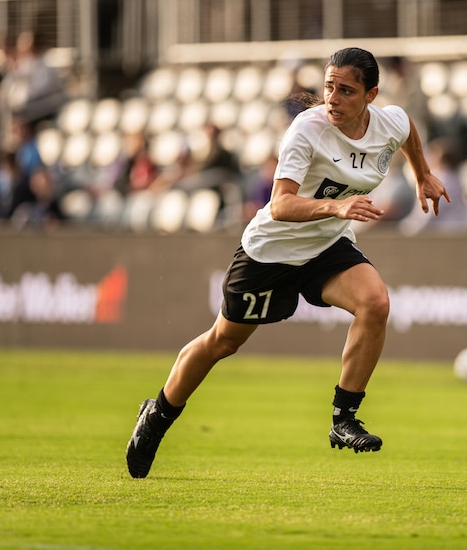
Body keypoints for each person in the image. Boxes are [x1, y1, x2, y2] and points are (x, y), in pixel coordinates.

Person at [125, 47, 450, 479]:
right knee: (224, 342)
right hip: (272, 251)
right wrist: (337, 209)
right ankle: (159, 415)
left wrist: (422, 173)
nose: (332, 97)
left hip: (323, 246)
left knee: (376, 303)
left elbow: (407, 129)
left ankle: (344, 419)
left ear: (371, 95)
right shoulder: (308, 128)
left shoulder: (388, 121)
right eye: (329, 86)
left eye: (346, 90)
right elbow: (279, 206)